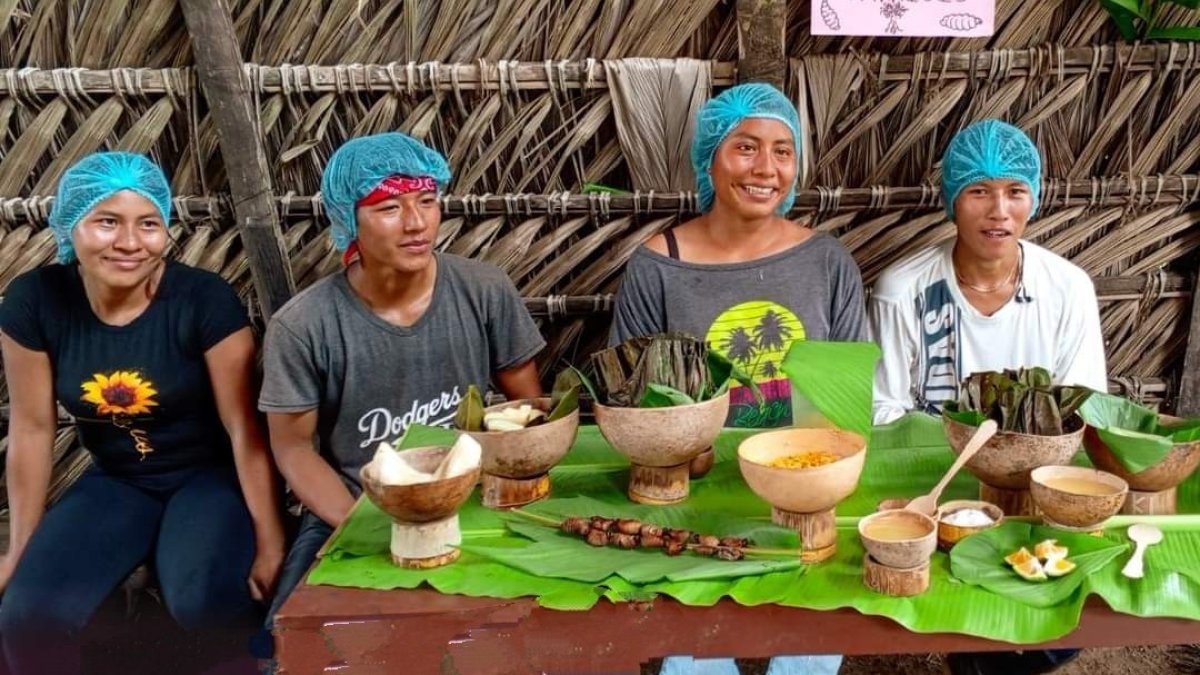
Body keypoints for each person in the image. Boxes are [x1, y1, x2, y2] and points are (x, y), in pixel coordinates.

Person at [257, 131, 545, 651]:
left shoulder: (483, 290)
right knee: (290, 641)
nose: (416, 223)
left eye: (428, 201)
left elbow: (527, 410)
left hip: (476, 497)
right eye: (389, 207)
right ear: (349, 219)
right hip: (355, 505)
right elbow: (292, 447)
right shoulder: (304, 326)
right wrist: (358, 521)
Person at [0, 152, 286, 674]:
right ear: (70, 225)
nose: (130, 243)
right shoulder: (34, 301)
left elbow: (245, 429)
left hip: (209, 478)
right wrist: (21, 549)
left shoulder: (202, 300)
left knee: (200, 600)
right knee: (28, 615)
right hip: (118, 480)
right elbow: (32, 427)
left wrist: (270, 541)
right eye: (107, 221)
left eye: (148, 224)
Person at [611, 83, 857, 675]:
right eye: (745, 148)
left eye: (782, 151)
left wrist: (811, 481)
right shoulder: (657, 267)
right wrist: (682, 457)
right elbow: (633, 405)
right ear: (710, 158)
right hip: (691, 495)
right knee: (695, 660)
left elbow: (845, 405)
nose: (765, 169)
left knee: (808, 657)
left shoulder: (826, 262)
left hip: (801, 492)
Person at [870, 119, 1103, 674]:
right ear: (952, 200)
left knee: (1045, 632)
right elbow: (883, 409)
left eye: (1015, 192)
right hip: (932, 485)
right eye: (979, 191)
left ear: (1033, 200)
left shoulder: (1067, 289)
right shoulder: (904, 291)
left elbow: (1084, 403)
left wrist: (1016, 462)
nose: (999, 210)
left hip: (1037, 488)